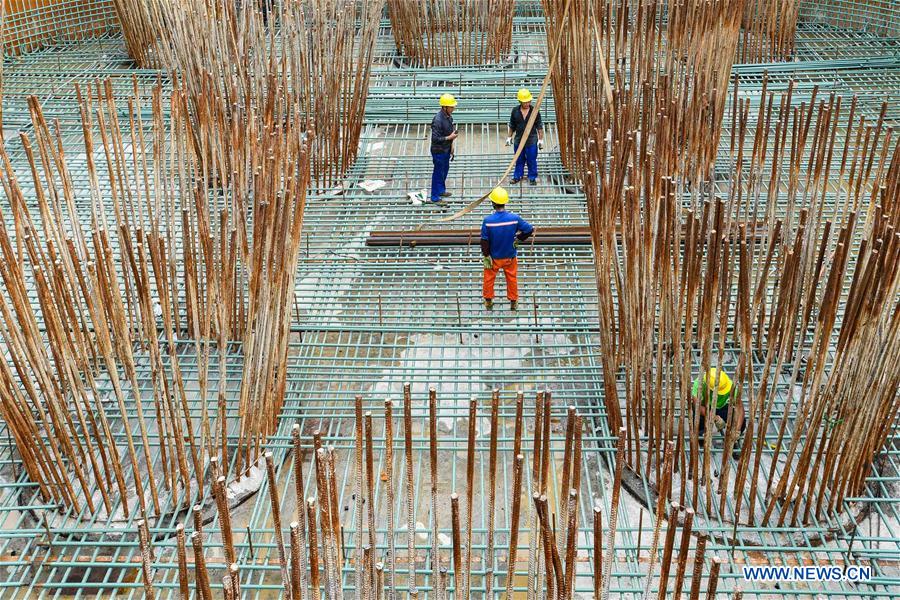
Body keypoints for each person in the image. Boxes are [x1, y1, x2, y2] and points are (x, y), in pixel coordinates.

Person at [480, 187, 534, 311]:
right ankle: (513, 302)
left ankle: (488, 301)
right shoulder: (514, 218)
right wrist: (519, 238)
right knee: (512, 278)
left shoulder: (488, 221)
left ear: (493, 203)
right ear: (505, 202)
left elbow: (484, 240)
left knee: (488, 278)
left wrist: (486, 255)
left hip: (494, 257)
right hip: (510, 256)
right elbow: (529, 229)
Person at [692, 368, 745, 457]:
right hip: (706, 408)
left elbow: (740, 408)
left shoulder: (729, 385)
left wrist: (737, 430)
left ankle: (732, 441)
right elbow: (697, 406)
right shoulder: (699, 384)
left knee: (741, 422)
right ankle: (701, 441)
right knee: (698, 424)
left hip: (722, 407)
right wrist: (714, 418)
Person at [505, 88, 544, 185]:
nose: (527, 103)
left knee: (531, 160)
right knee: (519, 159)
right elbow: (512, 125)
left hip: (531, 141)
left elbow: (539, 126)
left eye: (529, 101)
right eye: (525, 102)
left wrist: (540, 139)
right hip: (519, 141)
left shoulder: (535, 111)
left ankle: (532, 177)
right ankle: (517, 176)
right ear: (520, 101)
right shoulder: (515, 111)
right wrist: (509, 137)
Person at [431, 93, 459, 205]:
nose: (453, 108)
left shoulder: (448, 117)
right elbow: (435, 138)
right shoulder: (438, 120)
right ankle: (434, 197)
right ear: (444, 107)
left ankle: (441, 191)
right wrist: (449, 138)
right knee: (438, 173)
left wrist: (451, 146)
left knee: (444, 171)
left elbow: (450, 132)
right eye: (451, 106)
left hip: (446, 149)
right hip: (438, 151)